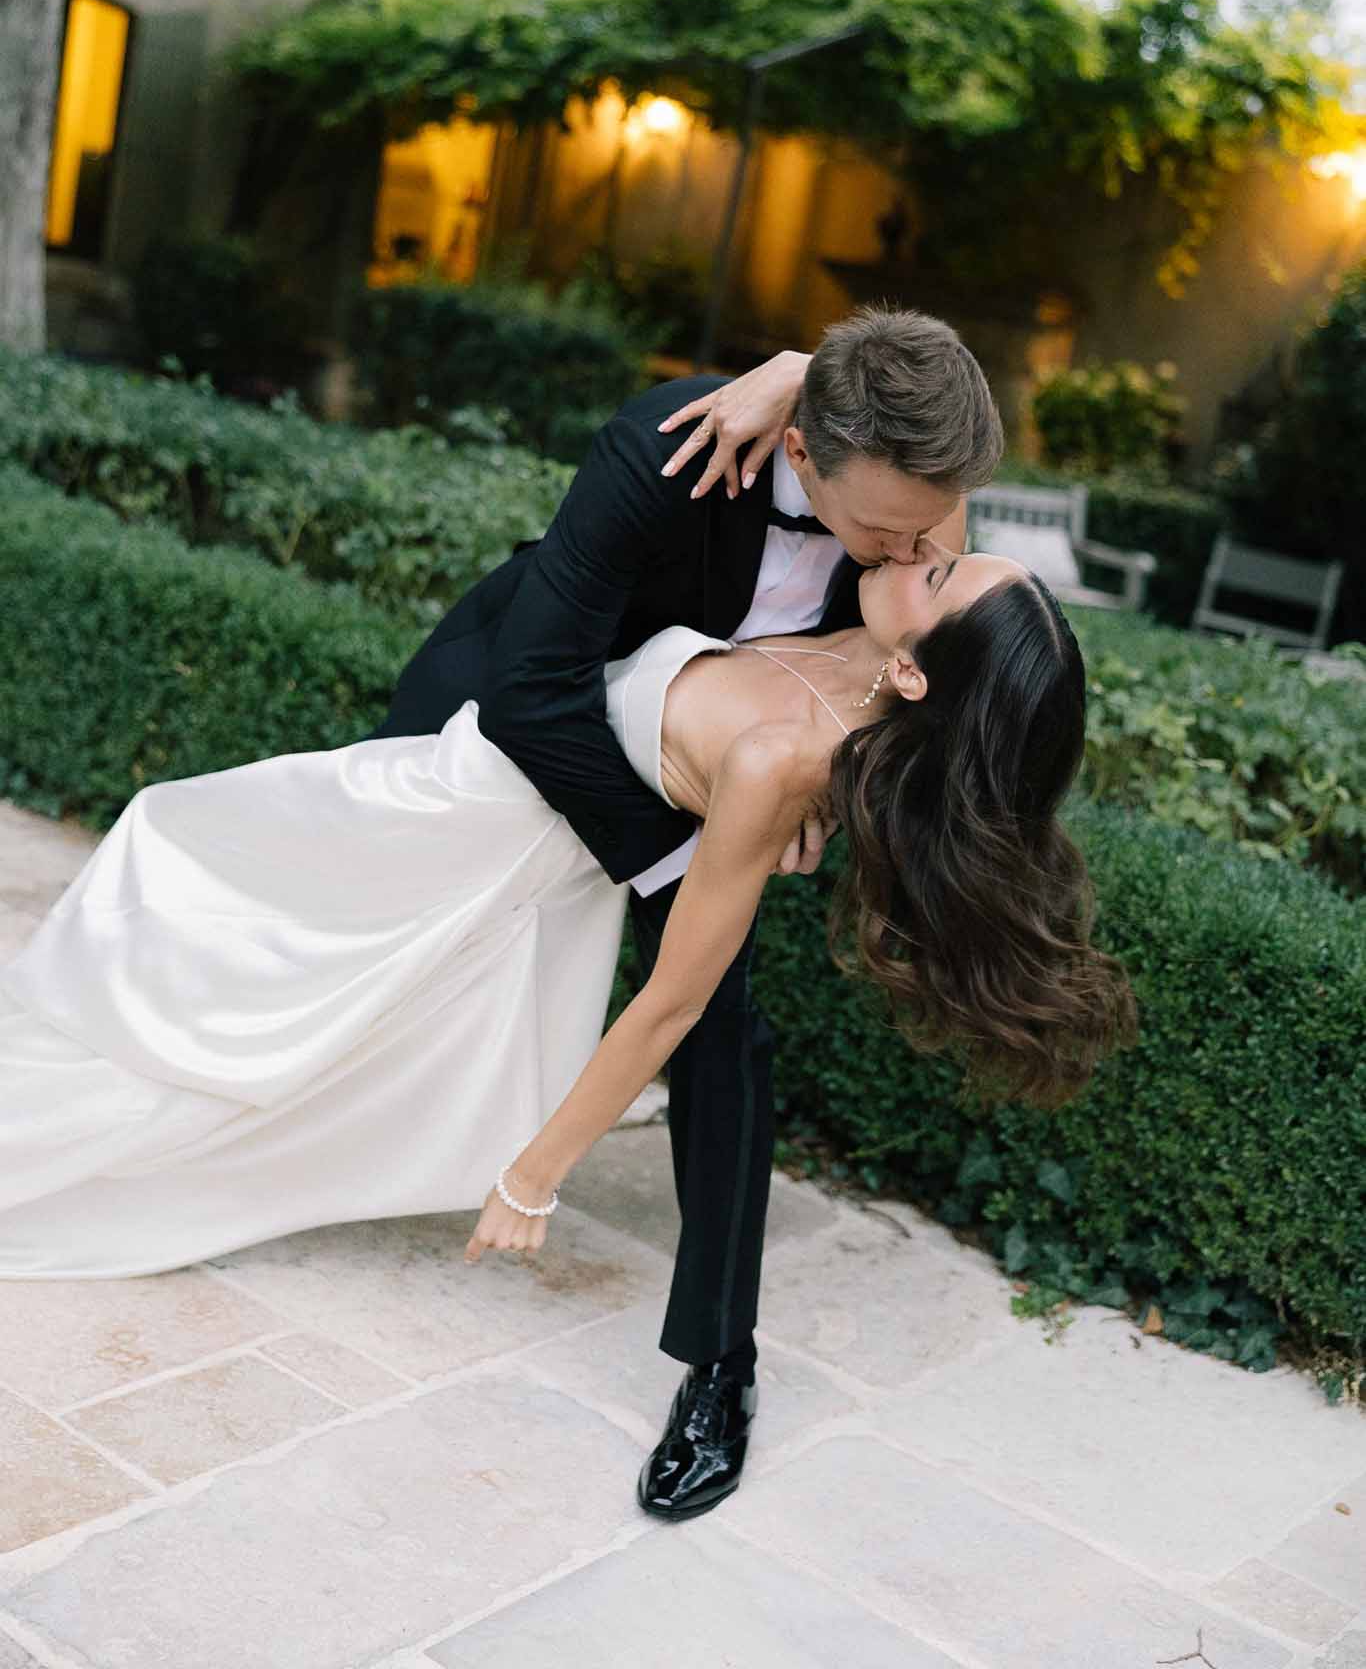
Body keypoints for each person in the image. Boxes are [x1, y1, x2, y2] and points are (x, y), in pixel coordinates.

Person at [0, 308, 1132, 1516]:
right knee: (337, 946)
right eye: (893, 533)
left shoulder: (914, 501)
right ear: (804, 453)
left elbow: (944, 695)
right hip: (539, 731)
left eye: (933, 533)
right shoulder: (666, 447)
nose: (922, 544)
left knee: (720, 1034)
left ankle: (720, 1366)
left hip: (722, 761)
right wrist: (679, 848)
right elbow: (535, 694)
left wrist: (805, 795)